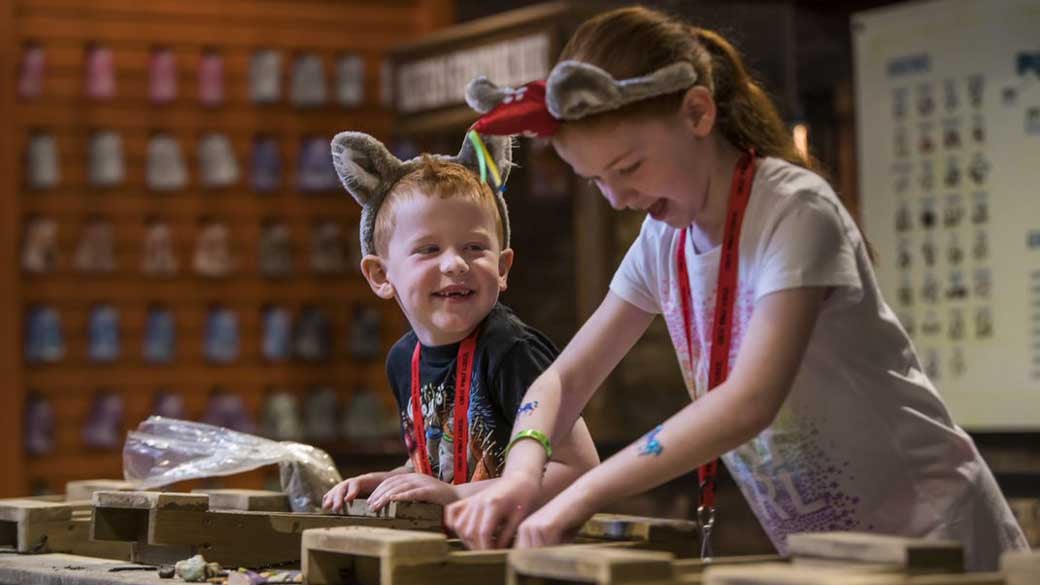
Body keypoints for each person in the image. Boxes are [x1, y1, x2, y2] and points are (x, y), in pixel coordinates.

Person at [444, 6, 1028, 571]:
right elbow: (565, 379)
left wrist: (584, 492)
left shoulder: (795, 209)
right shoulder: (661, 242)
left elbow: (749, 401)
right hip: (832, 557)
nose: (618, 198)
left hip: (941, 538)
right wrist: (523, 476)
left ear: (697, 113)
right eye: (596, 180)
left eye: (629, 168)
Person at [321, 131, 598, 514]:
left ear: (502, 268)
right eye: (429, 249)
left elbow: (578, 469)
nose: (455, 264)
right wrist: (391, 479)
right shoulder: (404, 360)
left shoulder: (512, 351)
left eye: (475, 247)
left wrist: (454, 497)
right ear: (380, 276)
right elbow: (447, 463)